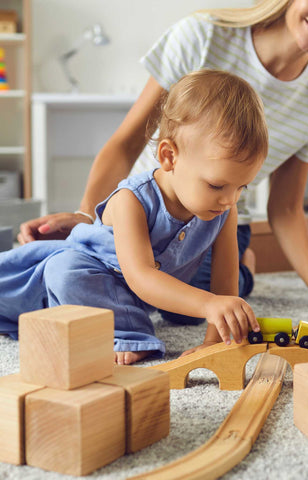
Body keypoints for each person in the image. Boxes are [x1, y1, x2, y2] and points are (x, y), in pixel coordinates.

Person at [18, 0, 308, 335]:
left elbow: (285, 206)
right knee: (87, 274)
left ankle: (243, 264)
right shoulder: (202, 35)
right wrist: (87, 221)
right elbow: (127, 143)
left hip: (213, 225)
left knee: (184, 308)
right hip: (141, 212)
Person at [0, 70, 267, 365]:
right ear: (169, 156)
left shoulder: (224, 209)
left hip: (144, 292)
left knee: (206, 305)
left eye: (242, 187)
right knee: (63, 271)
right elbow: (140, 277)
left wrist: (214, 341)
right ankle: (129, 333)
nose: (230, 199)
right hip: (95, 275)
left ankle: (246, 269)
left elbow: (224, 282)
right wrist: (209, 304)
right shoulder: (132, 199)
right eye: (217, 185)